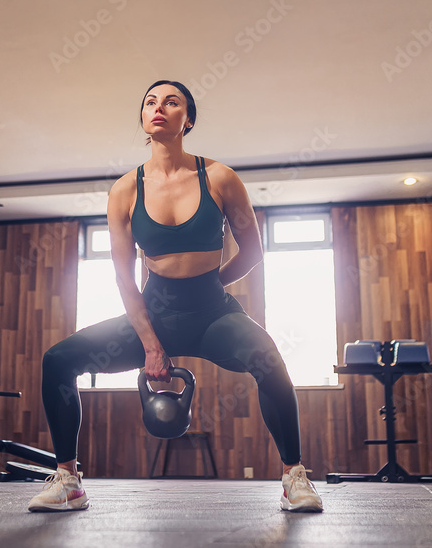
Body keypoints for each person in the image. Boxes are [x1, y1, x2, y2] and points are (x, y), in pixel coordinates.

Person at [27, 80, 323, 513]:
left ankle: (293, 476)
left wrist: (212, 286)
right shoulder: (125, 190)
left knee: (268, 358)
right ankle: (68, 480)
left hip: (212, 313)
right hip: (153, 313)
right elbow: (124, 277)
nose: (159, 107)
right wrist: (150, 344)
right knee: (58, 360)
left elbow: (254, 251)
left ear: (189, 119)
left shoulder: (219, 177)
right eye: (150, 102)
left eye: (172, 101)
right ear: (144, 119)